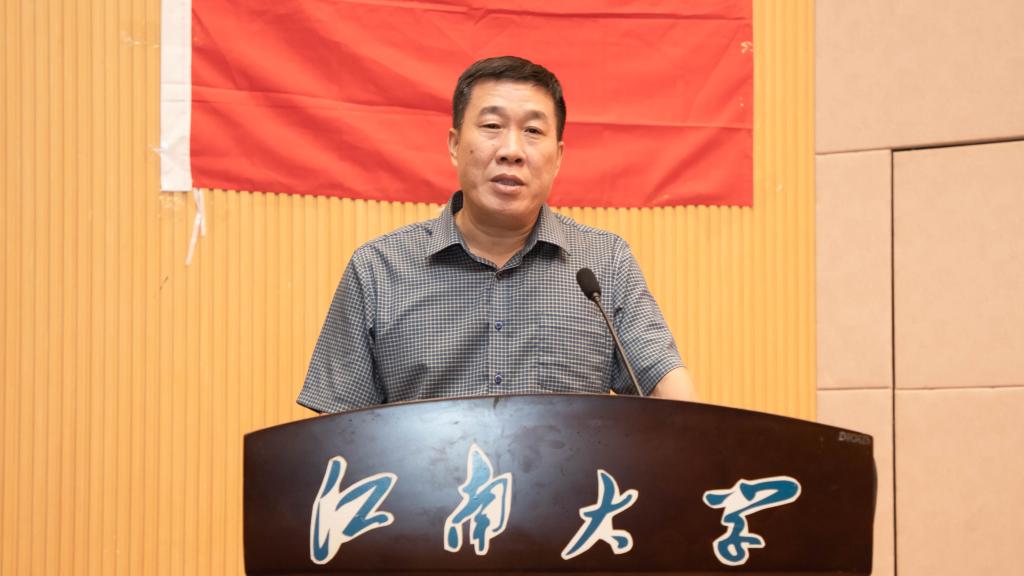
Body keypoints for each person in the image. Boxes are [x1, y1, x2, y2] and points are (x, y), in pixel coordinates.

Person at [297, 56, 696, 414]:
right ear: (455, 144)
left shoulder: (604, 263)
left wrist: (702, 438)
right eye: (492, 126)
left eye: (533, 131)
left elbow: (668, 392)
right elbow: (337, 437)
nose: (512, 150)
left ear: (558, 157)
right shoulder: (378, 270)